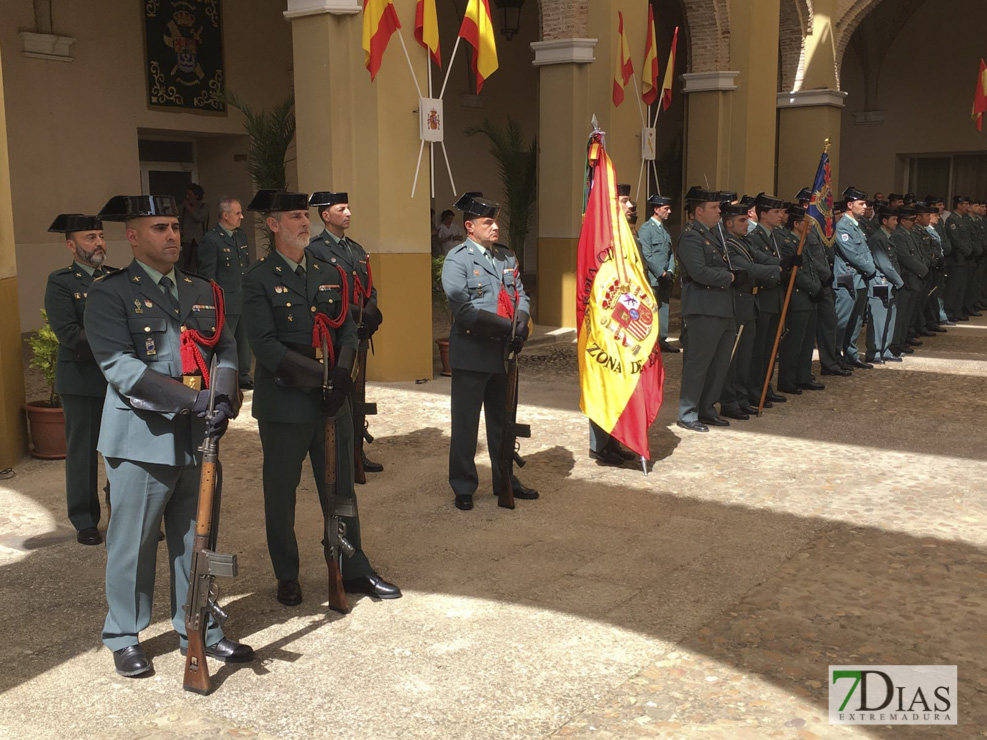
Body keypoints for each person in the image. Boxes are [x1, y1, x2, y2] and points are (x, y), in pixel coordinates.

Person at [85, 194, 253, 678]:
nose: (173, 236)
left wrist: (223, 397)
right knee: (132, 544)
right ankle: (123, 634)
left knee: (196, 539)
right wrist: (194, 400)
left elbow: (224, 345)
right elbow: (120, 367)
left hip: (200, 436)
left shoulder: (202, 289)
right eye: (159, 228)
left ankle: (198, 628)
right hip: (140, 439)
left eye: (176, 226)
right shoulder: (110, 294)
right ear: (133, 237)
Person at [241, 190, 400, 607]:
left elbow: (347, 327)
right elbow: (266, 346)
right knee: (281, 493)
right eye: (293, 217)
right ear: (274, 225)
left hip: (333, 401)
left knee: (341, 487)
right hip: (286, 403)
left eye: (303, 216)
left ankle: (354, 567)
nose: (303, 223)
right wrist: (321, 379)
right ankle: (287, 574)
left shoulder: (329, 269)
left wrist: (342, 378)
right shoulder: (257, 279)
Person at [441, 192, 538, 509]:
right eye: (487, 222)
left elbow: (520, 294)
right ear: (470, 226)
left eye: (495, 220)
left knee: (503, 424)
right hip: (472, 354)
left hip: (503, 355)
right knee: (466, 425)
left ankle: (505, 480)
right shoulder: (458, 260)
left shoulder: (506, 257)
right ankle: (464, 485)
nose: (495, 227)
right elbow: (464, 311)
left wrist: (521, 322)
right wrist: (508, 328)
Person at [44, 214, 112, 545]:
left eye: (100, 235)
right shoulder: (61, 282)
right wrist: (117, 343)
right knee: (83, 453)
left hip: (119, 380)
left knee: (122, 452)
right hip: (82, 380)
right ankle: (85, 519)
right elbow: (69, 334)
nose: (98, 242)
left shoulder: (117, 278)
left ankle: (126, 515)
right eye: (90, 237)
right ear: (71, 245)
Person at [308, 191, 384, 475]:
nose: (349, 213)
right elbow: (324, 295)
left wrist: (369, 315)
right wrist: (358, 314)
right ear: (326, 215)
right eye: (342, 208)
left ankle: (356, 452)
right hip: (335, 333)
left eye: (349, 208)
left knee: (357, 394)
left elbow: (370, 289)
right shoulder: (315, 250)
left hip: (359, 332)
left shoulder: (355, 249)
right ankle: (334, 453)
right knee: (337, 391)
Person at [675, 187, 738, 432]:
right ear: (699, 211)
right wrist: (731, 278)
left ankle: (707, 408)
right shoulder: (691, 236)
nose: (719, 211)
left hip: (722, 308)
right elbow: (698, 272)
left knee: (720, 363)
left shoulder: (712, 235)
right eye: (714, 208)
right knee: (698, 363)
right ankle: (688, 412)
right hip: (703, 308)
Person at [588, 186, 640, 465]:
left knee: (623, 383)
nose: (630, 205)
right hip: (606, 324)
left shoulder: (627, 236)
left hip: (627, 323)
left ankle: (615, 440)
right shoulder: (600, 239)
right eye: (623, 200)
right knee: (604, 384)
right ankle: (599, 445)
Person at [718, 202, 781, 420]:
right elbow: (749, 268)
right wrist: (779, 269)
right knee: (734, 358)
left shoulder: (743, 242)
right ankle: (729, 400)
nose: (747, 224)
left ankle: (742, 398)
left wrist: (785, 263)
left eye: (746, 219)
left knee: (746, 358)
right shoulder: (728, 245)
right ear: (729, 223)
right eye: (742, 220)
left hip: (751, 304)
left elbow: (763, 259)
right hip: (739, 303)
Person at [196, 196, 254, 389]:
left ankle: (243, 377)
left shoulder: (240, 236)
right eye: (237, 213)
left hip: (242, 298)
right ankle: (227, 379)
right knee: (226, 345)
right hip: (224, 302)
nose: (242, 217)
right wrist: (213, 303)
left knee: (243, 343)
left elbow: (245, 267)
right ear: (225, 215)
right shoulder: (211, 240)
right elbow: (208, 276)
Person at [745, 193, 789, 405]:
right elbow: (760, 264)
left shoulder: (776, 236)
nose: (781, 216)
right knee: (759, 349)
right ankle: (754, 389)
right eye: (776, 212)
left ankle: (765, 385)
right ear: (763, 214)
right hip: (763, 299)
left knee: (772, 347)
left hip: (777, 299)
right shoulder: (754, 238)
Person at [776, 204, 822, 394]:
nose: (810, 225)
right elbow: (796, 273)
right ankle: (788, 380)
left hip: (809, 297)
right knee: (793, 342)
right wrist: (813, 288)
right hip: (797, 296)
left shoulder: (804, 240)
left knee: (806, 342)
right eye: (806, 221)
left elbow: (811, 268)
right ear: (796, 223)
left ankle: (803, 375)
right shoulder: (788, 242)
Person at [833, 186, 876, 370]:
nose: (865, 206)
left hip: (860, 279)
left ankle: (851, 354)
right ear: (850, 205)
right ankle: (835, 357)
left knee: (857, 320)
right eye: (861, 203)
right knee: (842, 320)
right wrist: (871, 269)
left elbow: (865, 251)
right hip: (848, 278)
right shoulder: (843, 226)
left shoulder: (857, 226)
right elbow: (852, 254)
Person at [638, 194, 678, 353]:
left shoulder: (665, 229)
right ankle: (650, 342)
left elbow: (671, 253)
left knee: (664, 310)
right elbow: (646, 255)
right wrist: (661, 273)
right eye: (665, 208)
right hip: (653, 278)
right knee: (650, 311)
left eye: (669, 208)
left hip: (665, 277)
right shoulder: (646, 229)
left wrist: (670, 271)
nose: (669, 212)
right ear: (656, 209)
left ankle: (662, 340)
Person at [864, 206, 904, 364]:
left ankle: (885, 350)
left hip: (890, 283)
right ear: (884, 221)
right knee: (879, 320)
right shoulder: (878, 238)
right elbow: (884, 264)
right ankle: (874, 352)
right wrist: (899, 281)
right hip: (881, 282)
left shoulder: (888, 236)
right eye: (893, 219)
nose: (896, 222)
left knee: (890, 319)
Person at [179, 183, 209, 272]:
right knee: (188, 267)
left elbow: (199, 217)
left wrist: (189, 207)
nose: (187, 197)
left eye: (190, 194)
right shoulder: (182, 208)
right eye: (186, 194)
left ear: (196, 195)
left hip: (200, 241)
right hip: (187, 241)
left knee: (202, 266)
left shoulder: (204, 207)